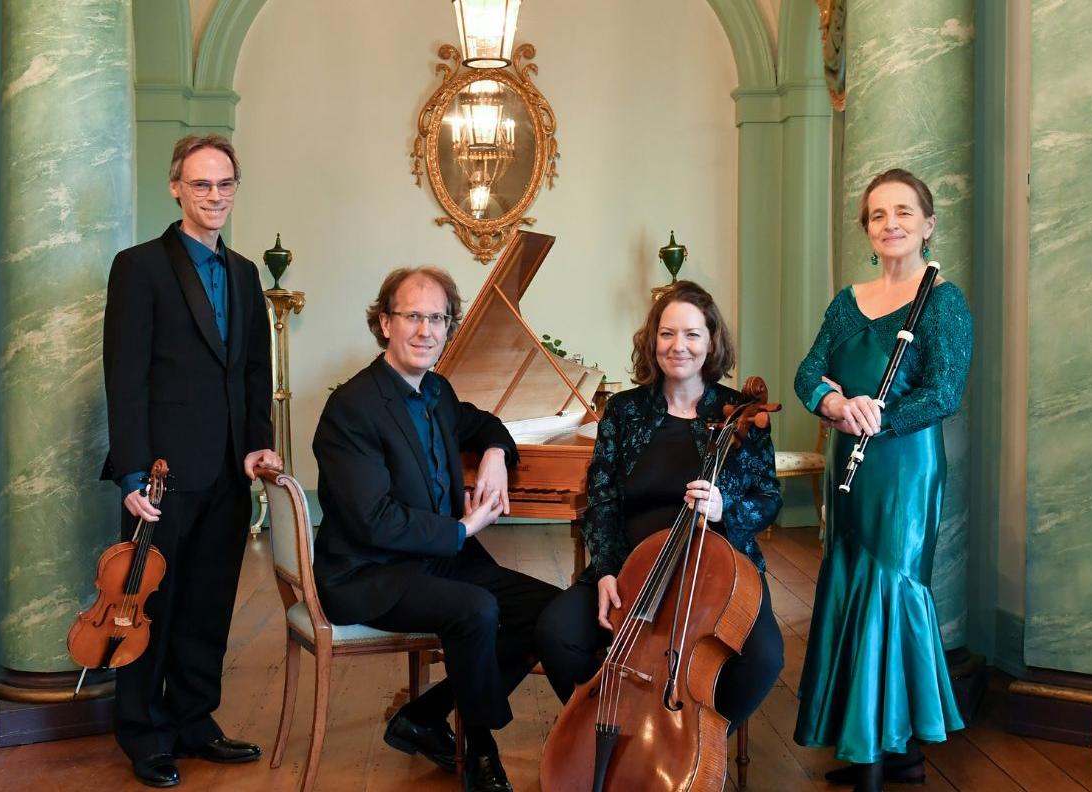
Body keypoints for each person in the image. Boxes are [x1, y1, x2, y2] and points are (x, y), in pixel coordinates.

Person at [311, 266, 562, 792]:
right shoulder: (351, 409)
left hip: (436, 560)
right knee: (476, 610)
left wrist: (495, 452)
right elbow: (372, 519)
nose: (427, 330)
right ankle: (481, 753)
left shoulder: (438, 392)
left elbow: (486, 423)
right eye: (413, 316)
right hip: (370, 572)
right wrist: (463, 529)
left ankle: (423, 716)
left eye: (439, 318)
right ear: (384, 323)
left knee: (548, 612)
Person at [100, 134, 281, 788]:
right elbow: (124, 378)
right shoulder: (139, 267)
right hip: (162, 476)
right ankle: (145, 733)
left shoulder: (244, 274)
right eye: (201, 184)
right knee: (149, 608)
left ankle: (196, 720)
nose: (215, 196)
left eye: (225, 184)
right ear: (175, 187)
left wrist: (258, 439)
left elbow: (254, 372)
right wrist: (129, 472)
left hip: (230, 471)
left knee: (208, 604)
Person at [534, 281, 785, 734]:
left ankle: (694, 742)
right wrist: (608, 568)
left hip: (719, 573)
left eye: (692, 334)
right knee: (556, 631)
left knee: (764, 656)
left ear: (712, 341)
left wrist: (726, 508)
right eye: (667, 334)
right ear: (653, 341)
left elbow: (769, 498)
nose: (679, 346)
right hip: (633, 568)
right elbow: (602, 498)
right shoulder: (625, 411)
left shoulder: (743, 413)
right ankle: (612, 730)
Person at [792, 168, 973, 792]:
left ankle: (876, 755)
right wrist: (836, 406)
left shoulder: (945, 303)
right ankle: (891, 751)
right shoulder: (847, 302)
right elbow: (807, 371)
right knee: (850, 585)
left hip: (905, 464)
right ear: (868, 230)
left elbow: (944, 392)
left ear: (928, 224)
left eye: (903, 212)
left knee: (888, 589)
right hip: (852, 458)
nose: (890, 223)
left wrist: (879, 415)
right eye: (877, 215)